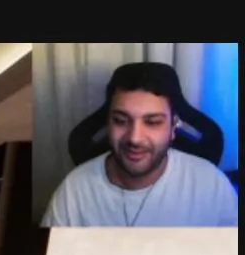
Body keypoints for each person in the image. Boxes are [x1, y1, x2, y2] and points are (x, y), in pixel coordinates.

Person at [41, 62, 238, 227]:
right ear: (108, 123)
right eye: (120, 120)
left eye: (152, 122)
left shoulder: (212, 185)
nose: (134, 138)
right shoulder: (74, 191)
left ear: (173, 127)